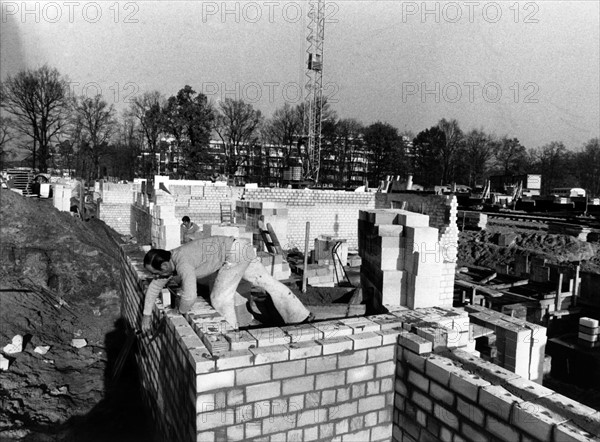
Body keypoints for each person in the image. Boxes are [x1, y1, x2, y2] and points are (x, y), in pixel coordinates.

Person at [141, 236, 312, 331]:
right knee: (266, 282)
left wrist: (179, 312)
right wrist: (147, 315)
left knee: (220, 298)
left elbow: (190, 296)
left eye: (157, 273)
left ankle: (232, 335)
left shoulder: (182, 263)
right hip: (240, 247)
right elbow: (155, 286)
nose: (157, 277)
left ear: (163, 266)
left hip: (234, 253)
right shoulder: (168, 260)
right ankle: (301, 316)